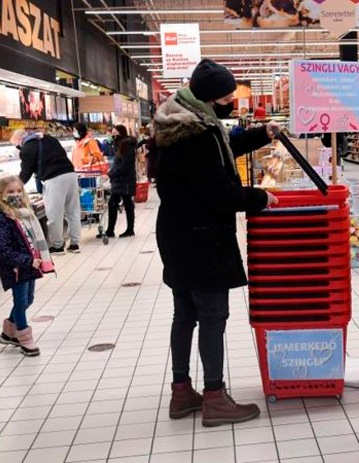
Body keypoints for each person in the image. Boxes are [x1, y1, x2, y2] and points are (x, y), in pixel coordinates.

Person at [153, 59, 280, 427]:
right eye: (227, 97)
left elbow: (221, 149)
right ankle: (214, 397)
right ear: (210, 99)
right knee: (212, 317)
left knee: (185, 314)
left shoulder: (184, 122)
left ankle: (181, 393)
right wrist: (260, 198)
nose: (231, 102)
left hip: (177, 234)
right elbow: (219, 192)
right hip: (201, 239)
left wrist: (262, 133)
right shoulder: (196, 133)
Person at [0, 176, 55, 357]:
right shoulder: (1, 218)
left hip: (30, 265)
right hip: (16, 268)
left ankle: (8, 331)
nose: (15, 195)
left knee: (29, 299)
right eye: (10, 192)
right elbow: (3, 250)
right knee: (20, 302)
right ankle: (25, 338)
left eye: (18, 191)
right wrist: (27, 261)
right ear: (1, 194)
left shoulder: (24, 212)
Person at [12, 129, 81, 254]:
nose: (18, 148)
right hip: (71, 175)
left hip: (54, 179)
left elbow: (25, 173)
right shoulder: (49, 138)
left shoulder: (28, 148)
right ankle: (75, 243)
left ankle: (58, 246)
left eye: (16, 145)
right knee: (73, 211)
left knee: (54, 214)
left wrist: (13, 187)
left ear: (19, 140)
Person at [105, 136, 137, 238]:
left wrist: (112, 174)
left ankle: (129, 229)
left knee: (125, 204)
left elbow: (123, 167)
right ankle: (111, 230)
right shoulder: (126, 150)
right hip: (121, 182)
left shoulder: (127, 151)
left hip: (124, 182)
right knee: (115, 204)